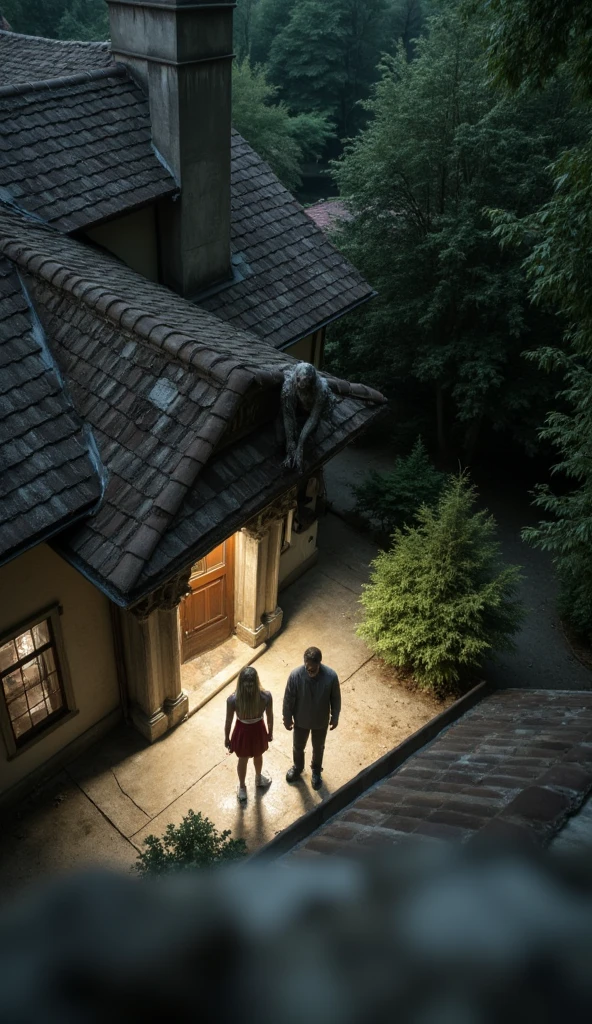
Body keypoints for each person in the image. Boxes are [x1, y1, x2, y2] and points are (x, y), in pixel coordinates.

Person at [282, 646, 340, 791]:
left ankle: (316, 771)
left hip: (320, 721)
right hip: (301, 720)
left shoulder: (331, 677)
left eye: (313, 669)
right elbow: (288, 698)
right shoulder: (295, 675)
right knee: (298, 746)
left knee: (318, 747)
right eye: (307, 668)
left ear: (319, 663)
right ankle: (298, 767)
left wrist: (335, 716)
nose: (310, 671)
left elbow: (335, 698)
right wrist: (287, 718)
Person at [225, 666, 273, 802]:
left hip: (242, 731)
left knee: (243, 759)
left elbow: (228, 721)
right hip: (258, 729)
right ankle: (258, 778)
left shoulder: (233, 700)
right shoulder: (266, 696)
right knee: (258, 755)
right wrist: (270, 732)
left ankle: (242, 788)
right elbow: (270, 716)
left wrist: (226, 738)